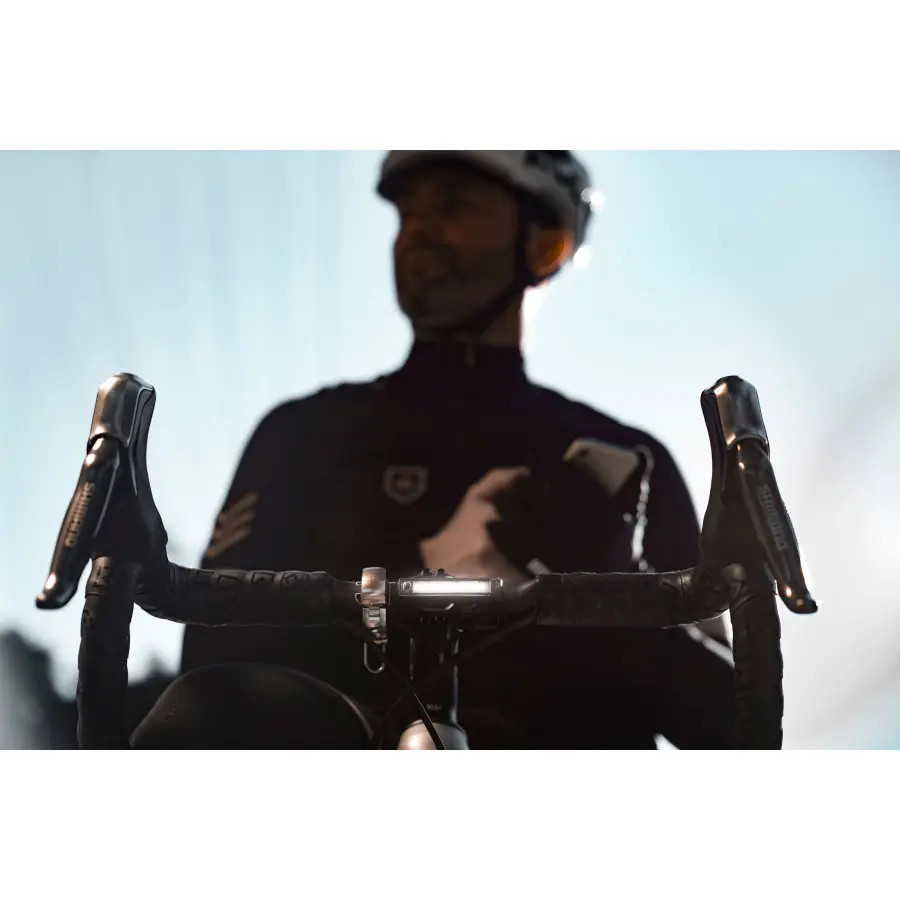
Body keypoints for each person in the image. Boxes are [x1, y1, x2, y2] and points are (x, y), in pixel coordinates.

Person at [144, 151, 735, 749]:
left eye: (454, 206)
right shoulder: (304, 433)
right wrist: (423, 567)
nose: (418, 230)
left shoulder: (632, 459)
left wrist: (617, 593)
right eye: (407, 213)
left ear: (544, 244)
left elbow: (733, 727)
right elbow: (213, 667)